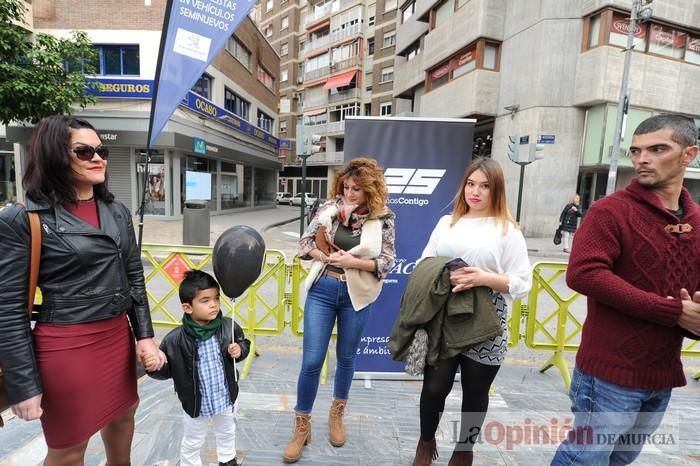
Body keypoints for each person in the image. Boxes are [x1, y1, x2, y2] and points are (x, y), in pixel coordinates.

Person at [0, 115, 166, 464]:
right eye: (84, 151)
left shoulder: (117, 211)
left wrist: (145, 337)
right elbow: (9, 309)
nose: (98, 157)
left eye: (101, 150)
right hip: (66, 347)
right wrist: (23, 384)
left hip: (116, 339)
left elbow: (133, 277)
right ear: (55, 155)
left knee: (123, 420)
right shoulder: (24, 218)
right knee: (69, 450)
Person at [551, 114, 700, 465]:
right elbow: (584, 274)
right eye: (636, 151)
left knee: (620, 461)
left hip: (661, 372)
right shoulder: (609, 211)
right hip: (607, 373)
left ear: (688, 155)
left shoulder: (696, 223)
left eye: (657, 149)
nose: (642, 159)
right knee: (584, 459)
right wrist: (673, 311)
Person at [412, 157, 531, 466]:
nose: (475, 192)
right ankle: (425, 443)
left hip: (487, 318)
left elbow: (522, 282)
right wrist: (442, 274)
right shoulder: (446, 223)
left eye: (485, 186)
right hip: (444, 314)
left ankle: (464, 450)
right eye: (471, 184)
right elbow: (423, 263)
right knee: (435, 387)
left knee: (475, 392)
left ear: (497, 191)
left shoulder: (508, 230)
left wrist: (484, 278)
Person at [283, 157, 396, 463]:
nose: (349, 193)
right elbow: (305, 244)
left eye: (356, 189)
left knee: (346, 357)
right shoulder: (328, 209)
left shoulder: (382, 218)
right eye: (346, 186)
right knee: (312, 360)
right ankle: (302, 426)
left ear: (369, 190)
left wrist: (353, 262)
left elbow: (387, 260)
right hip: (322, 289)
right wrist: (323, 254)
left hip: (355, 294)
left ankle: (336, 416)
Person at [148, 270, 250, 466]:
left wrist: (240, 350)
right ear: (187, 307)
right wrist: (154, 367)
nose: (213, 304)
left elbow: (243, 343)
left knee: (227, 431)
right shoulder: (174, 340)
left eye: (216, 298)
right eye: (205, 300)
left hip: (225, 396)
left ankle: (228, 460)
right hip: (195, 401)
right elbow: (167, 370)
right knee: (193, 439)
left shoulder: (228, 326)